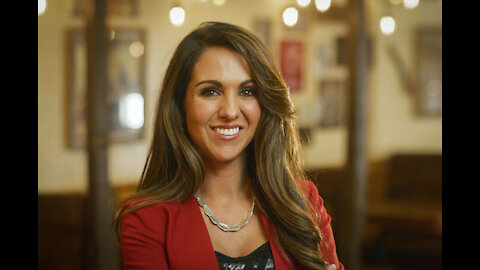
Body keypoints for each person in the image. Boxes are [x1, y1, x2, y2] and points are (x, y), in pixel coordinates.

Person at [113, 21, 343, 270]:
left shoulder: (303, 202)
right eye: (211, 92)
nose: (230, 111)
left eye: (247, 92)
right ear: (180, 106)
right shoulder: (146, 219)